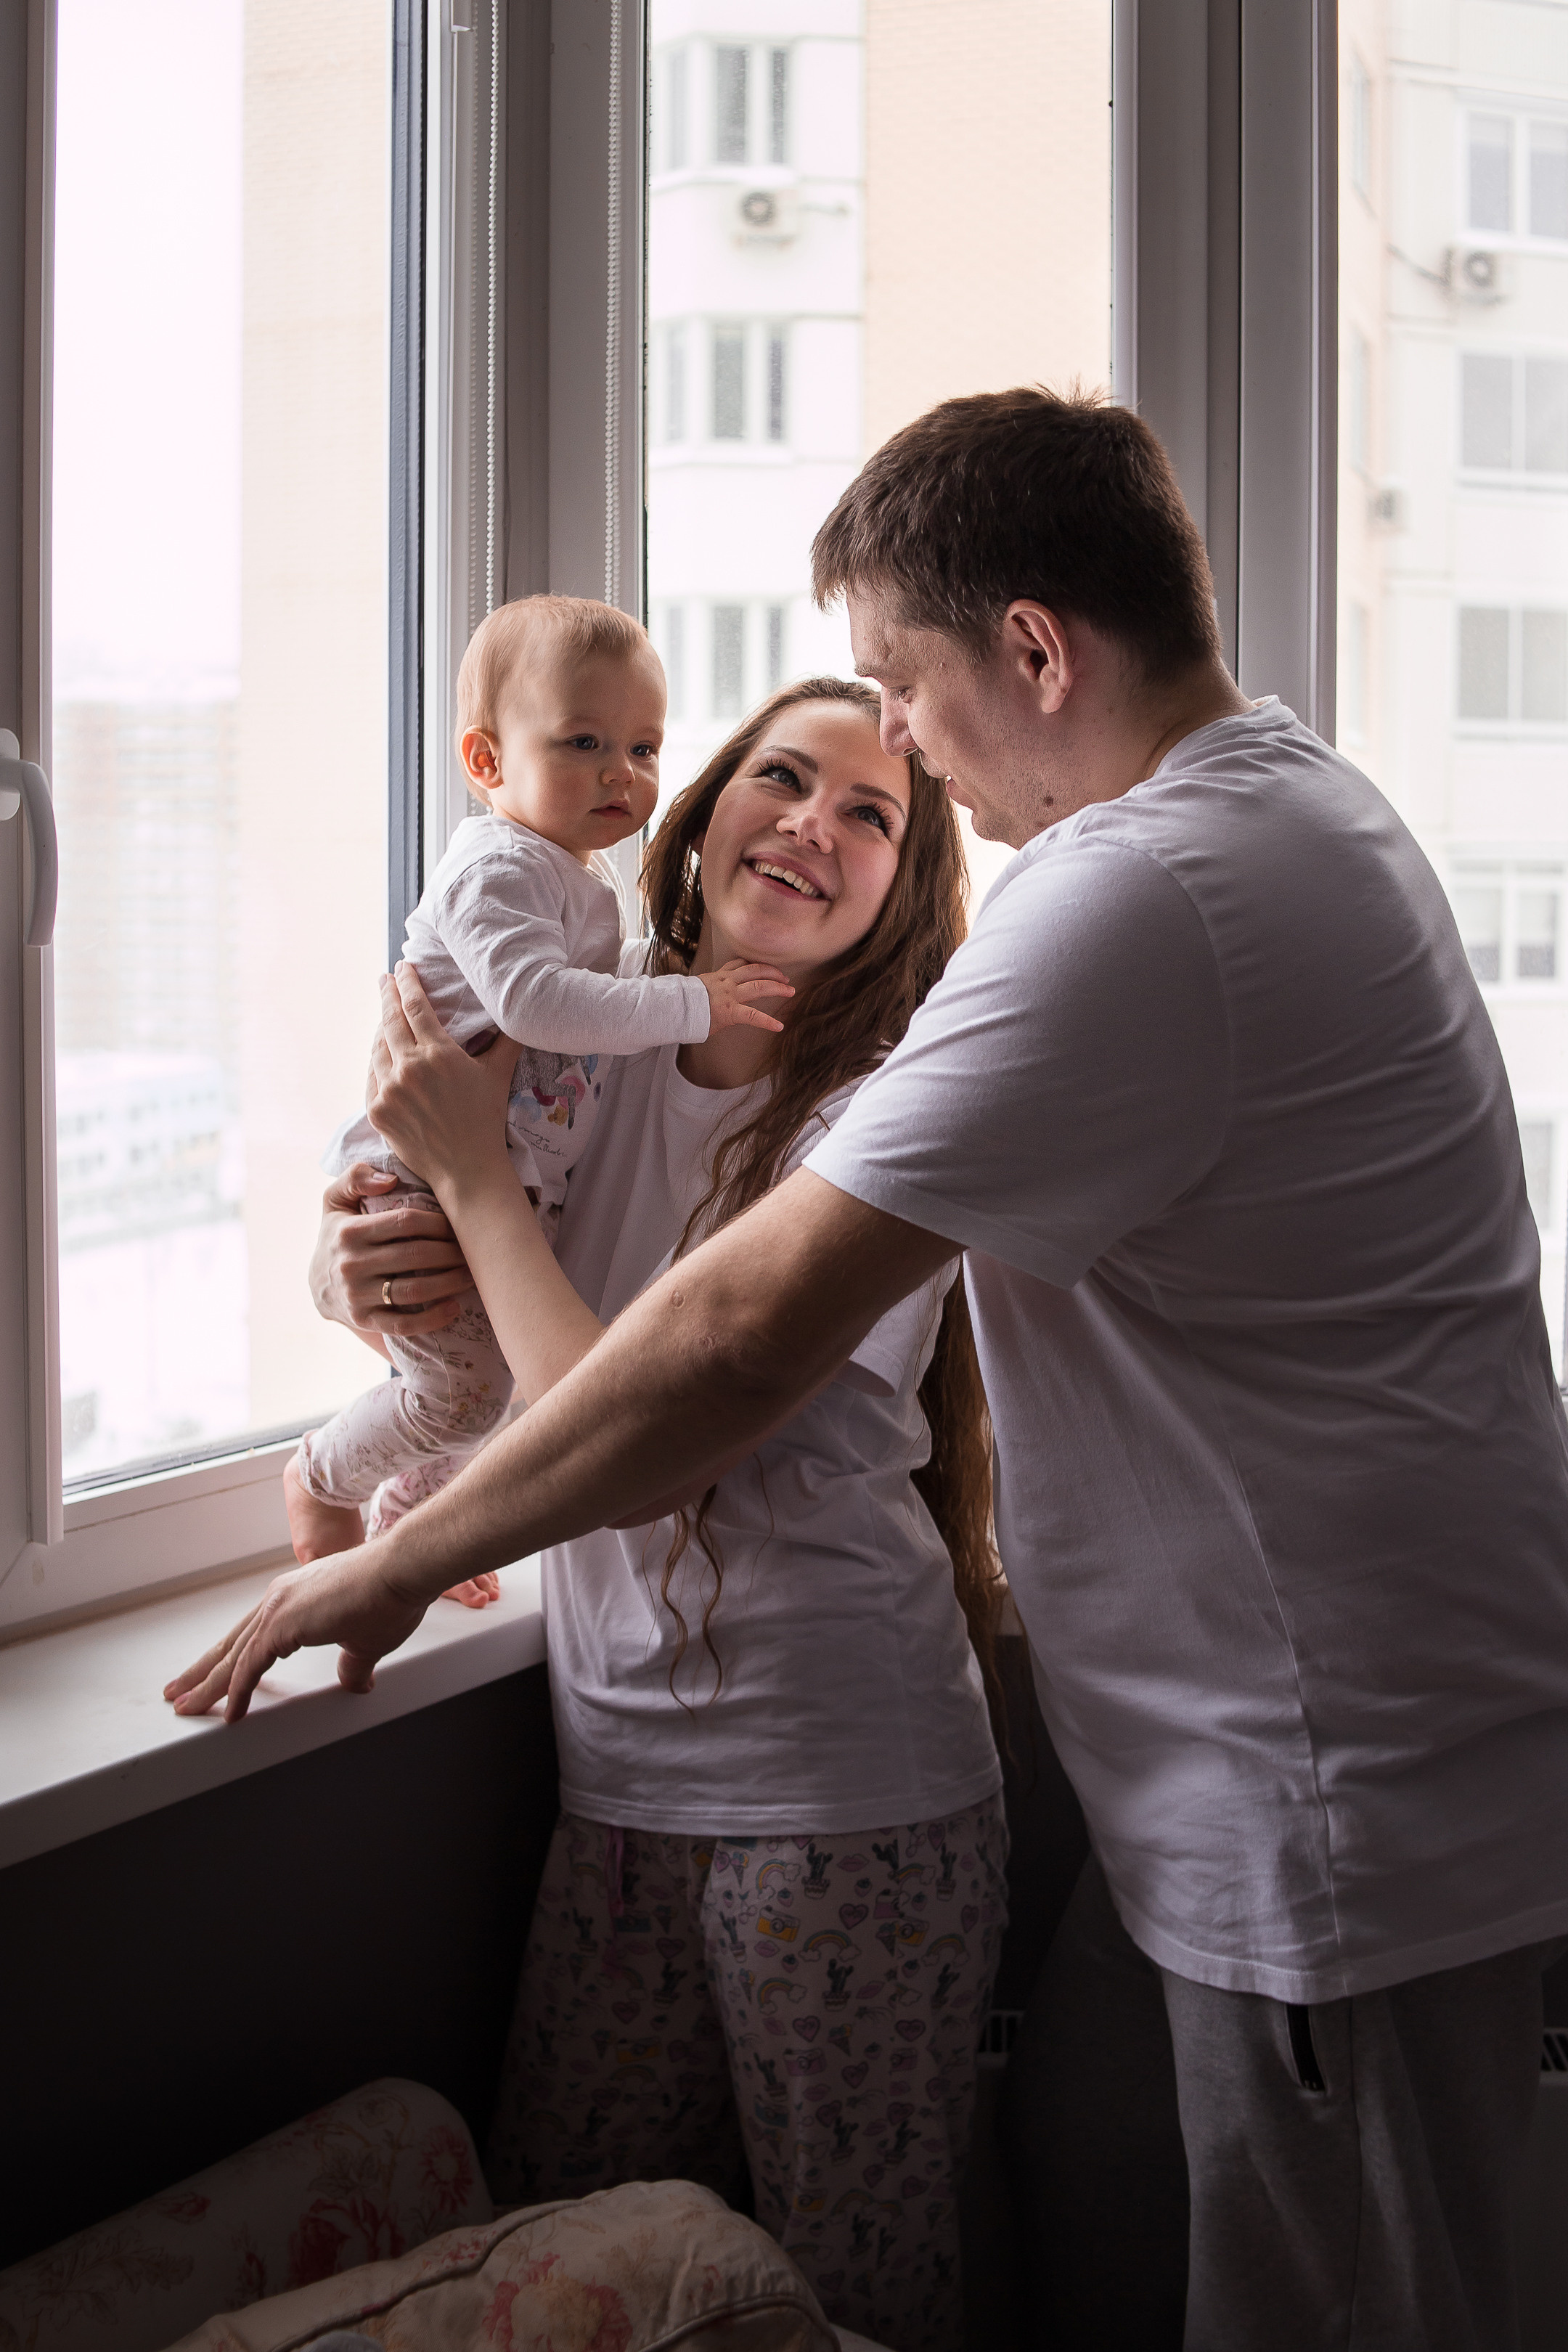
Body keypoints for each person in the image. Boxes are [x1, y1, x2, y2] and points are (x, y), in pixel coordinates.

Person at [168, 387, 1568, 2349]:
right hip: (1249, 1775)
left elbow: (735, 1337)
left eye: (902, 691)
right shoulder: (1287, 810)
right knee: (1100, 2223)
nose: (896, 738)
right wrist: (391, 1263)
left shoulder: (1143, 889)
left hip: (1329, 1802)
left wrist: (397, 1557)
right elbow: (557, 1278)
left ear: (1035, 651)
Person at [232, 678, 1008, 2352]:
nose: (812, 825)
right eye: (781, 778)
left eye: (871, 815)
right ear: (704, 810)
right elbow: (465, 1291)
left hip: (847, 1800)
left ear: (903, 887)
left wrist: (473, 1181)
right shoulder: (589, 1039)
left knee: (853, 2294)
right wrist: (355, 1257)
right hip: (616, 1783)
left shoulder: (881, 1121)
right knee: (574, 2277)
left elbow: (635, 1443)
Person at [285, 594, 789, 1567]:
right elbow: (535, 1005)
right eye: (583, 742)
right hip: (424, 1180)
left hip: (487, 1178)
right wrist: (698, 1002)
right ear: (486, 762)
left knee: (493, 1387)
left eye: (644, 749)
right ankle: (322, 1478)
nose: (620, 772)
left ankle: (412, 1523)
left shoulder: (572, 884)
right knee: (466, 1394)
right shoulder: (499, 866)